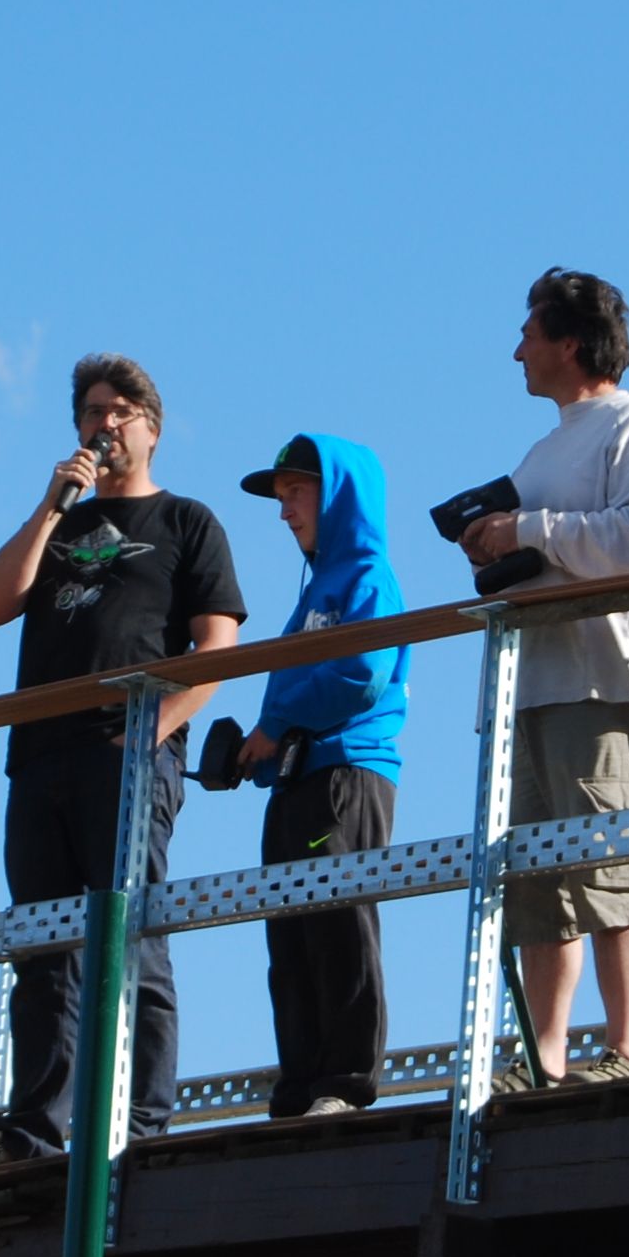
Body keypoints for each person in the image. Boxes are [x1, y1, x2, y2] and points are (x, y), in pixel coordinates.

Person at [0, 355, 245, 1158]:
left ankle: (142, 1123)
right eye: (93, 411)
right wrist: (49, 506)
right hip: (40, 756)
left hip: (128, 758)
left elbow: (218, 648)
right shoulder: (59, 524)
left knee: (133, 933)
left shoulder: (187, 521)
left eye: (122, 410)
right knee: (42, 948)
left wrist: (154, 729)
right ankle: (36, 1129)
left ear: (152, 428)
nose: (106, 424)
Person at [455, 269, 629, 1088]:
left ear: (569, 341)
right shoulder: (542, 449)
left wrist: (526, 528)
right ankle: (545, 1055)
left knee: (609, 870)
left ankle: (626, 1048)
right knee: (535, 886)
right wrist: (496, 542)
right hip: (527, 686)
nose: (516, 351)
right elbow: (553, 546)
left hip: (604, 680)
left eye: (529, 334)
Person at [236, 433, 409, 1118]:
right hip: (298, 780)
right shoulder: (315, 592)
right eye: (280, 497)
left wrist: (277, 725)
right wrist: (260, 752)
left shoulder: (368, 576)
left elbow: (363, 674)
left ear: (338, 496)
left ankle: (345, 1080)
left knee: (338, 922)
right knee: (290, 933)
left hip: (346, 774)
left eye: (297, 493)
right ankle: (301, 1083)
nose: (285, 511)